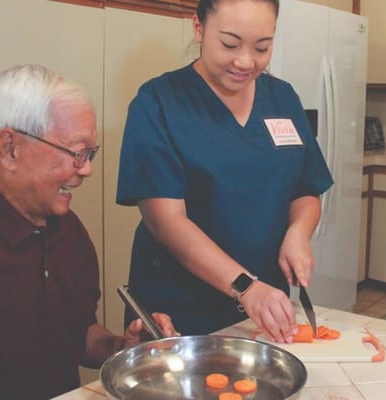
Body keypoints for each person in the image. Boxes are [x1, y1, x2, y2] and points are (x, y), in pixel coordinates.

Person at [0, 64, 176, 400]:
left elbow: (78, 334)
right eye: (76, 153)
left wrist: (123, 348)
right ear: (9, 149)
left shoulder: (70, 232)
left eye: (90, 154)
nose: (87, 169)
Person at [116, 0, 333, 344]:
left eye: (262, 46)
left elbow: (306, 187)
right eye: (230, 44)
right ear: (199, 28)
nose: (246, 61)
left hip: (262, 309)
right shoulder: (158, 102)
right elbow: (165, 220)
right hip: (180, 310)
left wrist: (298, 232)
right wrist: (245, 286)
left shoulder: (282, 98)